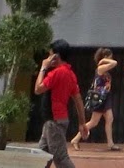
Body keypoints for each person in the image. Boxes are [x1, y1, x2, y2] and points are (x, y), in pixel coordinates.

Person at [34, 39, 84, 168]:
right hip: (54, 121)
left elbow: (38, 89)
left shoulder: (56, 73)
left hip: (54, 121)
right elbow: (78, 100)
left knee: (60, 158)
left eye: (50, 55)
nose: (48, 58)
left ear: (56, 56)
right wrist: (82, 123)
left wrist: (43, 68)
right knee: (41, 156)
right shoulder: (70, 74)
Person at [74, 47, 119, 151]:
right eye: (109, 57)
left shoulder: (105, 69)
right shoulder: (100, 68)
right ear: (105, 57)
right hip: (100, 98)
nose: (111, 59)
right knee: (93, 122)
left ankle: (110, 143)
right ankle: (76, 139)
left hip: (105, 97)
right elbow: (114, 63)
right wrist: (104, 60)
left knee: (109, 119)